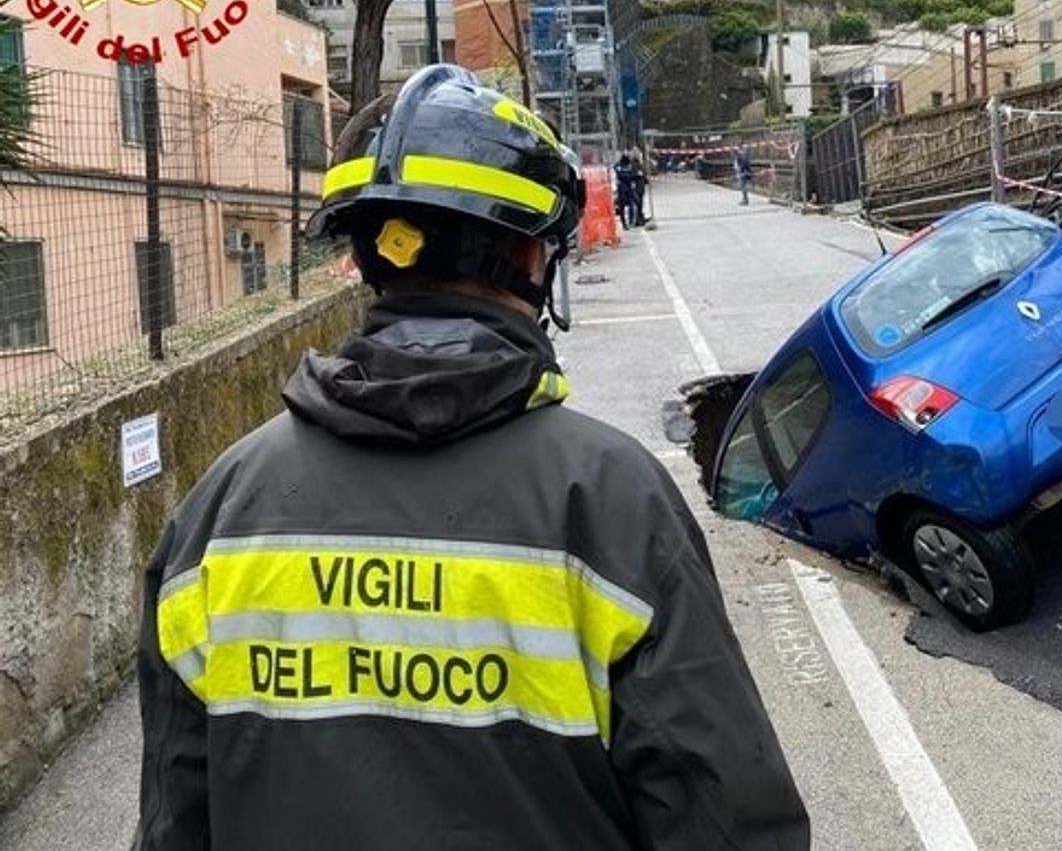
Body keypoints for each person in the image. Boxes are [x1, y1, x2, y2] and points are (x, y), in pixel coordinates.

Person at [131, 65, 810, 851]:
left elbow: (176, 816)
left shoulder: (220, 510)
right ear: (531, 258)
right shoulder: (611, 500)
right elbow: (722, 815)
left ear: (368, 255)